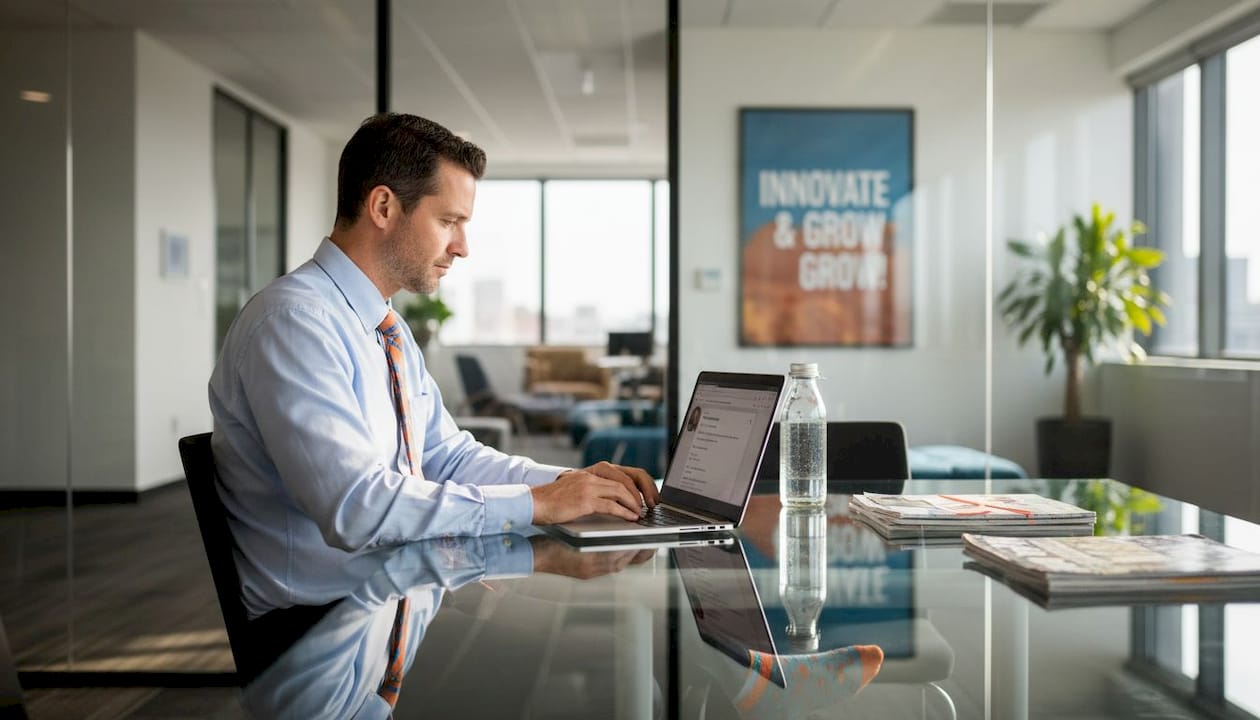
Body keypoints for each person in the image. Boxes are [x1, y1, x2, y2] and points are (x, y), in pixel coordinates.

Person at [209, 113, 659, 615]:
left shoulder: (386, 327)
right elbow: (356, 509)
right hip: (324, 627)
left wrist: (573, 484)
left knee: (597, 628)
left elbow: (448, 457)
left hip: (398, 599)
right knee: (590, 638)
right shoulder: (293, 323)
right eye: (448, 222)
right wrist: (542, 504)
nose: (462, 248)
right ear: (383, 206)